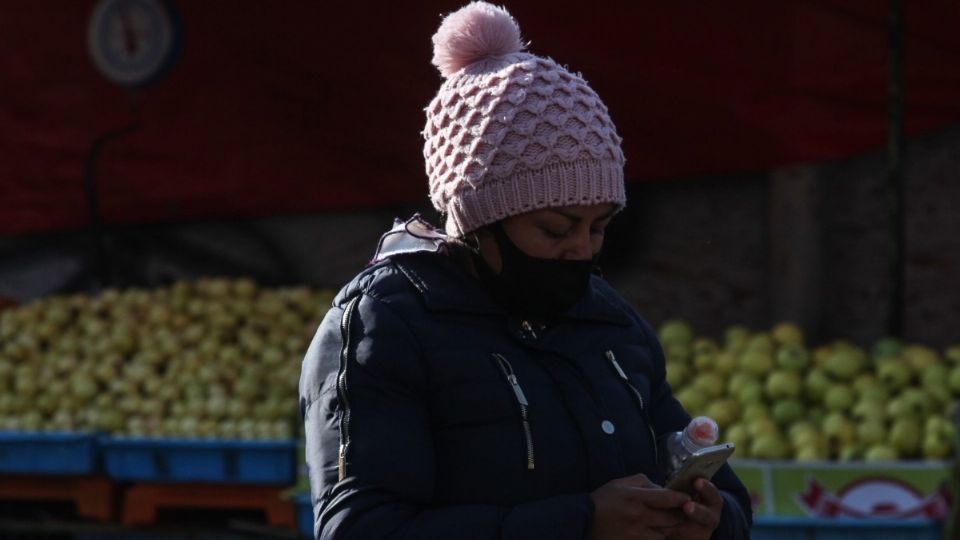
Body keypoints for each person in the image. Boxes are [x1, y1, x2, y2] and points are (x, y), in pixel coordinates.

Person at [299, 2, 752, 539]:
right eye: (557, 229)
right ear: (480, 221)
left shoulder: (609, 324)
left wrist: (713, 518)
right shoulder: (384, 327)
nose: (582, 251)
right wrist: (581, 524)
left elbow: (727, 497)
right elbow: (359, 529)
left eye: (600, 227)